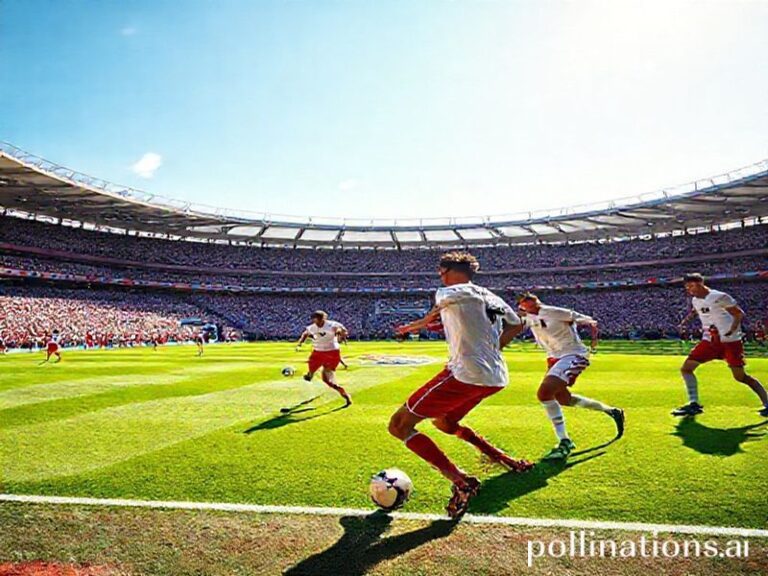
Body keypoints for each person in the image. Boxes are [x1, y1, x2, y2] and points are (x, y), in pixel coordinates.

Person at [390, 251, 533, 519]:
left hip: (464, 374)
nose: (440, 277)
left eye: (441, 272)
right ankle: (501, 458)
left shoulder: (448, 292)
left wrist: (413, 327)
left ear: (448, 271)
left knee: (399, 425)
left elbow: (433, 317)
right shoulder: (491, 296)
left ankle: (462, 481)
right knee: (445, 423)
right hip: (496, 377)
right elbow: (516, 325)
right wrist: (491, 349)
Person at [517, 293, 625, 461]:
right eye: (525, 304)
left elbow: (587, 320)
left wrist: (592, 334)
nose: (529, 306)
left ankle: (564, 442)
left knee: (544, 393)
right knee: (563, 399)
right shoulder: (529, 317)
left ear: (536, 301)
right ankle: (612, 411)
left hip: (573, 354)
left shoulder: (554, 312)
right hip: (553, 358)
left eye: (531, 302)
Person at [674, 273, 768, 417]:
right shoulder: (695, 300)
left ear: (700, 283)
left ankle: (767, 403)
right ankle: (694, 404)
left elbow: (738, 313)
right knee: (686, 368)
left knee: (740, 377)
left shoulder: (719, 297)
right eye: (687, 287)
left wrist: (732, 329)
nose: (689, 289)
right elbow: (697, 310)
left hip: (729, 342)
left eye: (691, 286)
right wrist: (685, 322)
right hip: (710, 341)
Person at [296, 311, 351, 406]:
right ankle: (310, 374)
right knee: (313, 365)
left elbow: (342, 330)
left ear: (324, 318)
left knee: (327, 378)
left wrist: (341, 334)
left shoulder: (332, 325)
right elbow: (305, 333)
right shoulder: (312, 327)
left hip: (331, 352)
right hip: (318, 352)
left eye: (320, 319)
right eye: (316, 320)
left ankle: (344, 394)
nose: (318, 322)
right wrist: (300, 343)